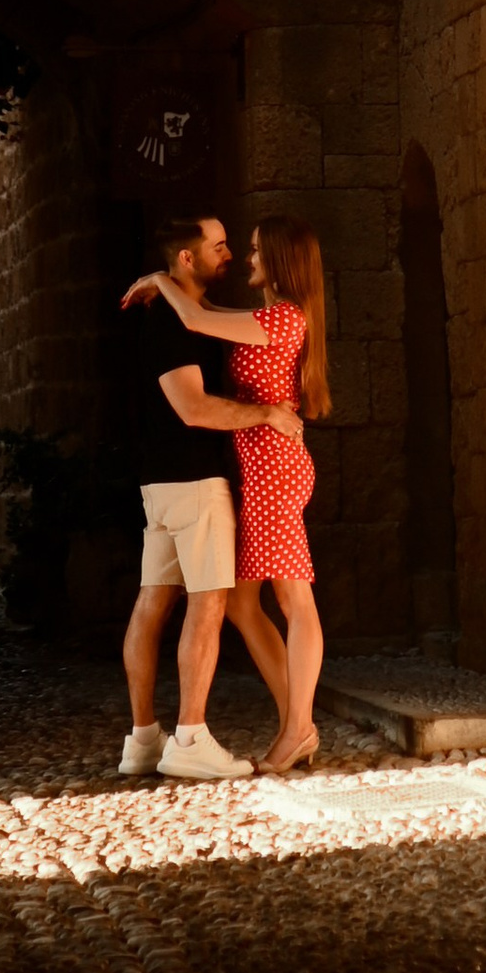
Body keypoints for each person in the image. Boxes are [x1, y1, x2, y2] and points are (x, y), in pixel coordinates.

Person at [123, 217, 331, 776]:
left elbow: (193, 315)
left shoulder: (285, 320)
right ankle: (298, 721)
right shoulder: (262, 317)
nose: (245, 257)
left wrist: (157, 280)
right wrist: (167, 282)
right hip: (256, 468)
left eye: (259, 250)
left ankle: (296, 728)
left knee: (294, 599)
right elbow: (204, 317)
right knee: (241, 602)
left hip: (275, 468)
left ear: (283, 261)